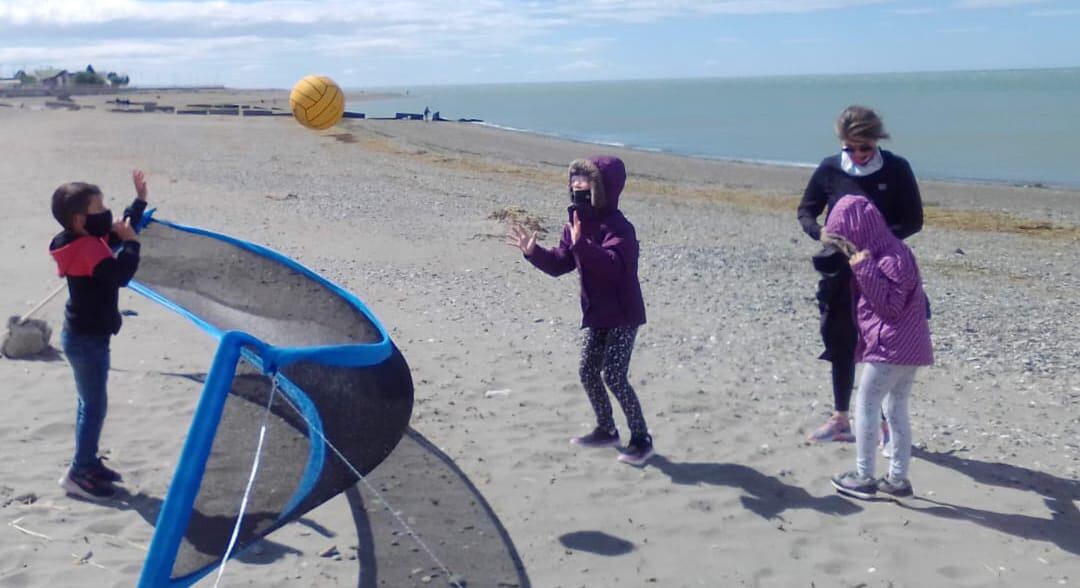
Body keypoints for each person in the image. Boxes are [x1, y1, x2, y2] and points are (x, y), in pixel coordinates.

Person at [506, 156, 653, 465]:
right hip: (597, 311)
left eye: (585, 185)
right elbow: (561, 263)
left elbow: (615, 267)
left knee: (613, 375)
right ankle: (606, 428)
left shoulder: (620, 227)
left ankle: (641, 439)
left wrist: (582, 244)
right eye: (574, 184)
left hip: (624, 312)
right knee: (588, 372)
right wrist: (533, 253)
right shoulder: (575, 222)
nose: (577, 189)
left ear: (603, 189)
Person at [798, 105, 924, 445]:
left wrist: (873, 245)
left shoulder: (897, 169)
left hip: (883, 272)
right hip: (839, 271)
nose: (858, 154)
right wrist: (820, 233)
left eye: (864, 147)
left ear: (877, 141)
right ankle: (840, 418)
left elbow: (913, 220)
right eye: (850, 147)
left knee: (881, 346)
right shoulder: (830, 168)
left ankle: (882, 424)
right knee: (840, 341)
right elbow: (806, 210)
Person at [823, 195, 933, 499]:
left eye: (846, 241)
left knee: (867, 404)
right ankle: (898, 479)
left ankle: (864, 476)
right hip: (909, 347)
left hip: (892, 347)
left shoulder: (889, 258)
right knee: (895, 407)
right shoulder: (893, 251)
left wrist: (863, 267)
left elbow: (890, 306)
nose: (847, 249)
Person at [49, 170, 148, 500]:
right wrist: (133, 243)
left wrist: (139, 202)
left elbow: (116, 233)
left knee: (90, 404)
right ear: (79, 220)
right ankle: (78, 473)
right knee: (93, 407)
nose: (105, 212)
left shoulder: (83, 241)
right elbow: (120, 275)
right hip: (86, 341)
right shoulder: (89, 249)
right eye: (98, 207)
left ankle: (88, 462)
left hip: (84, 336)